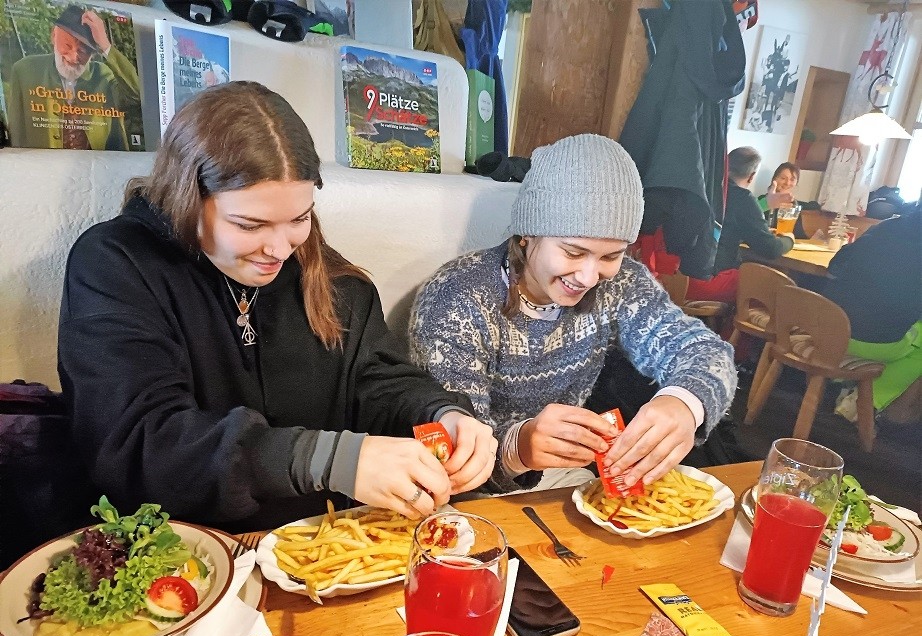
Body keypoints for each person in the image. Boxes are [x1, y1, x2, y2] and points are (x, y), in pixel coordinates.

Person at [57, 81, 496, 531]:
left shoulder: (329, 279)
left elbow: (377, 382)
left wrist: (441, 414)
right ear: (188, 198)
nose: (279, 249)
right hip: (192, 553)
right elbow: (139, 445)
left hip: (321, 545)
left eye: (299, 219)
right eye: (249, 224)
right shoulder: (116, 263)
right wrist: (327, 459)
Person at [409, 134, 737, 495]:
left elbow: (708, 352)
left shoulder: (622, 282)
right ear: (527, 234)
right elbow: (452, 458)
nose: (588, 277)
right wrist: (518, 447)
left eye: (610, 256)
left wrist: (684, 403)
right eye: (573, 251)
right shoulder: (457, 297)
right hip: (477, 497)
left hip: (564, 477)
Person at [823, 204, 922, 424]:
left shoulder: (887, 226)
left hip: (829, 328)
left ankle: (850, 385)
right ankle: (869, 402)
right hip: (873, 341)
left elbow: (833, 268)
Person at [7, 5, 141, 150]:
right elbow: (16, 131)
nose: (73, 57)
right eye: (66, 45)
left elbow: (136, 95)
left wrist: (105, 44)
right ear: (53, 36)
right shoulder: (24, 70)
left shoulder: (104, 75)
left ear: (92, 54)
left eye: (82, 51)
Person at [686, 147, 794, 304]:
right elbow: (771, 249)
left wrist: (764, 204)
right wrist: (789, 239)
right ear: (751, 177)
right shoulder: (743, 198)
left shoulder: (704, 185)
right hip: (709, 281)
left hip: (678, 278)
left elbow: (727, 214)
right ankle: (736, 327)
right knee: (774, 286)